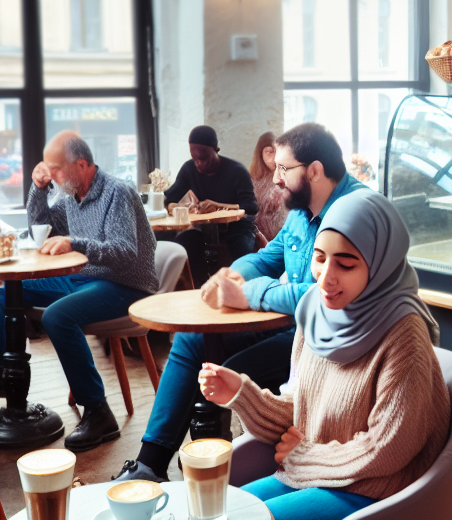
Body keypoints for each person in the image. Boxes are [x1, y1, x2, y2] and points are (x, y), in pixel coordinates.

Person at [197, 188, 450, 520]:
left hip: (375, 500)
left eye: (346, 264)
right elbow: (299, 408)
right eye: (319, 258)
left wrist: (305, 455)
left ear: (381, 262)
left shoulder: (404, 333)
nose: (326, 277)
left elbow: (390, 448)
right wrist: (242, 393)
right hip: (314, 477)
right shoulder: (316, 309)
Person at [112, 122, 367, 484]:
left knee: (221, 367)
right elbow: (268, 257)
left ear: (314, 171)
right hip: (291, 330)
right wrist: (232, 275)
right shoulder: (301, 209)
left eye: (283, 168)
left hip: (327, 345)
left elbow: (319, 295)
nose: (275, 178)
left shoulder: (354, 212)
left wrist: (248, 294)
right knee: (191, 339)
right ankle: (150, 464)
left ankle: (209, 474)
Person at [0, 132, 158, 452]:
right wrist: (39, 188)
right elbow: (40, 227)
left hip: (126, 285)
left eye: (56, 170)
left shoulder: (118, 192)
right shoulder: (71, 197)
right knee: (8, 294)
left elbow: (125, 252)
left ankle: (99, 412)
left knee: (58, 316)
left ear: (82, 164)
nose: (53, 175)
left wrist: (76, 243)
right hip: (83, 279)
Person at [164, 125, 258, 286]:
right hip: (205, 228)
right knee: (185, 240)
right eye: (195, 158)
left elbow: (251, 207)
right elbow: (169, 199)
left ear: (216, 149)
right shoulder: (189, 169)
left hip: (237, 226)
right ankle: (200, 288)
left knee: (241, 248)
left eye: (204, 158)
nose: (199, 163)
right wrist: (176, 208)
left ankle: (243, 291)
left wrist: (219, 206)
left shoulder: (236, 171)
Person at [249, 131, 287, 245]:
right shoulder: (251, 179)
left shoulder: (285, 177)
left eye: (277, 152)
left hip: (282, 238)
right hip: (257, 238)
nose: (274, 157)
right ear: (260, 154)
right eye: (270, 152)